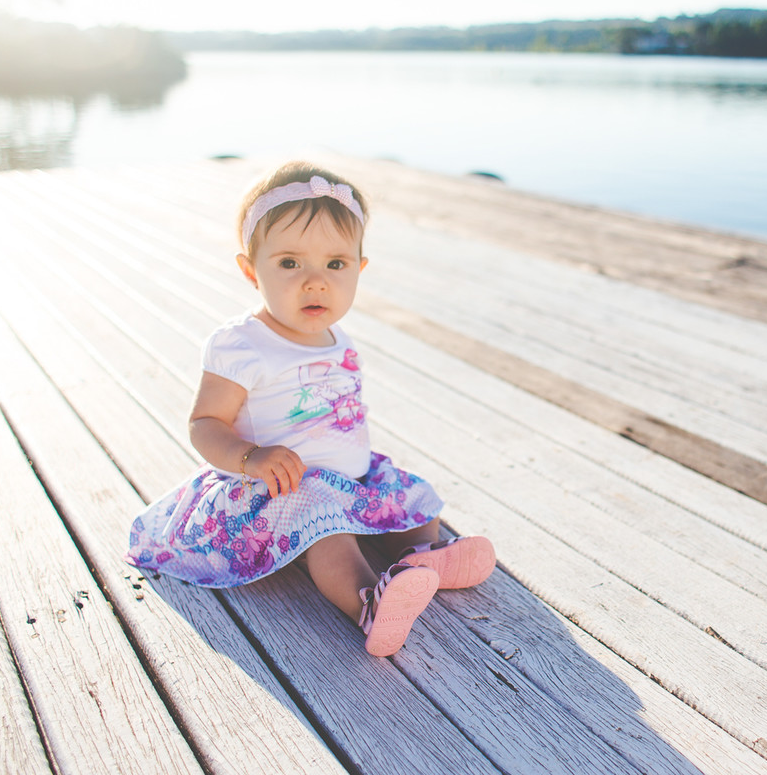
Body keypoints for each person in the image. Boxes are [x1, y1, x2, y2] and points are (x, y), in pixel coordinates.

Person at [126, 160, 495, 656]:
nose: (316, 282)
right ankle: (368, 602)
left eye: (335, 265)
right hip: (279, 489)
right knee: (328, 530)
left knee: (406, 492)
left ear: (359, 271)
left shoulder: (335, 336)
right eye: (290, 263)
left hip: (349, 479)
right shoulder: (242, 345)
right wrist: (249, 457)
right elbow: (204, 423)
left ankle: (418, 558)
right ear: (250, 270)